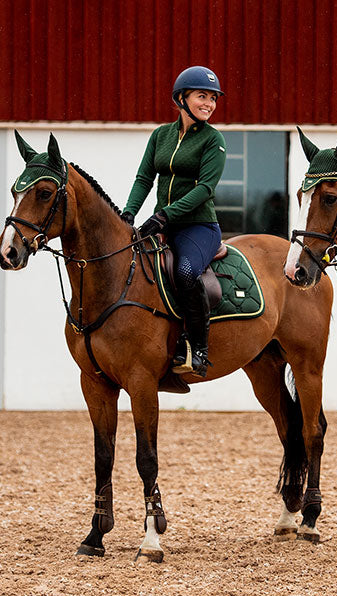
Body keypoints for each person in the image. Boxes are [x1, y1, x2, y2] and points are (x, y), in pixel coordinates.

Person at [121, 66, 227, 377]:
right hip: (161, 224)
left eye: (212, 98)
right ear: (181, 98)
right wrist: (129, 213)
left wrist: (165, 214)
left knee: (184, 272)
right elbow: (144, 178)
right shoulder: (160, 136)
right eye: (201, 96)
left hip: (199, 227)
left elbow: (205, 189)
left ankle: (198, 347)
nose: (208, 103)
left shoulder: (213, 140)